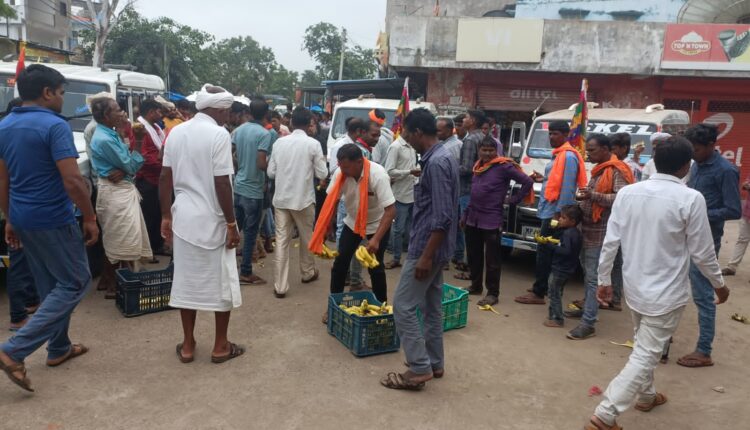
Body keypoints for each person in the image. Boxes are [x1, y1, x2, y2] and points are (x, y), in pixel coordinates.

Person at [583, 136, 729, 430]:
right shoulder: (691, 198)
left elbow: (611, 241)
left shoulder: (629, 193)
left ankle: (647, 396)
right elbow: (702, 252)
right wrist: (719, 284)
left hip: (635, 287)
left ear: (655, 160)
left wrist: (603, 278)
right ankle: (605, 415)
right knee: (646, 353)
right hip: (666, 294)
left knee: (644, 345)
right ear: (686, 166)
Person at [0, 64, 99, 392]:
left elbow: (3, 180)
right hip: (52, 218)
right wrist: (90, 217)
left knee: (50, 286)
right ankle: (13, 350)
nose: (61, 99)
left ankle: (58, 348)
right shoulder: (55, 126)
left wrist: (10, 218)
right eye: (60, 93)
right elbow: (72, 180)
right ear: (47, 93)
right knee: (75, 282)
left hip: (23, 217)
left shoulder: (5, 125)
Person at [159, 84, 244, 365]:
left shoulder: (176, 132)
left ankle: (187, 344)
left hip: (184, 220)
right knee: (222, 283)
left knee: (186, 282)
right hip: (213, 220)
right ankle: (220, 346)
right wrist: (231, 223)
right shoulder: (219, 134)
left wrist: (166, 215)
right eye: (227, 111)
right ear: (219, 110)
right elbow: (222, 183)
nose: (228, 116)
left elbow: (164, 177)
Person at [381, 108, 459, 391]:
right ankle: (435, 363)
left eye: (406, 134)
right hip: (435, 246)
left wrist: (426, 256)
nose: (405, 139)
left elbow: (442, 216)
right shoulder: (442, 157)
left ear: (417, 133)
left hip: (427, 248)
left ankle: (419, 368)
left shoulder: (436, 163)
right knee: (431, 308)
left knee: (403, 306)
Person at [677, 123, 741, 368]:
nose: (693, 154)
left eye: (697, 149)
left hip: (706, 240)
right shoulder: (695, 165)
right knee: (677, 288)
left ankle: (704, 350)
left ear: (712, 145)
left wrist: (700, 214)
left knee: (703, 295)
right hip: (684, 237)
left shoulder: (726, 171)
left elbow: (733, 210)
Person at [315, 143, 396, 322]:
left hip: (376, 224)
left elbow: (391, 211)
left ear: (359, 162)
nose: (343, 171)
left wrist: (376, 239)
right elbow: (332, 201)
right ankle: (334, 307)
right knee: (340, 264)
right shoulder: (341, 173)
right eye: (341, 167)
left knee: (376, 268)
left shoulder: (378, 175)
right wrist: (326, 226)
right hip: (352, 223)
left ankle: (381, 309)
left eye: (346, 167)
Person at [565, 134, 634, 340]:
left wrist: (592, 196)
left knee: (593, 278)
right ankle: (588, 310)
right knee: (589, 275)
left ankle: (589, 323)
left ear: (605, 149)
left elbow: (623, 198)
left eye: (592, 150)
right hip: (587, 230)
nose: (588, 154)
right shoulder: (599, 170)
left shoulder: (617, 170)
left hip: (602, 234)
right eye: (587, 150)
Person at [515, 121, 586, 305]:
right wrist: (543, 178)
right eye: (550, 133)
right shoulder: (558, 154)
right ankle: (543, 286)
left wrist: (559, 215)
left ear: (566, 135)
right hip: (549, 209)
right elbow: (556, 179)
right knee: (544, 249)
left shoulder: (568, 156)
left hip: (554, 213)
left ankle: (539, 292)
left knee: (544, 251)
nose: (551, 137)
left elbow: (568, 188)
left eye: (555, 134)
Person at [89, 97, 152, 299]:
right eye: (117, 110)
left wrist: (124, 170)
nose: (123, 113)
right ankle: (114, 286)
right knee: (121, 239)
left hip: (120, 189)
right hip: (115, 192)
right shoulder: (105, 138)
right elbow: (132, 165)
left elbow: (126, 165)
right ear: (106, 116)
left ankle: (109, 280)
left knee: (119, 237)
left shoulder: (111, 133)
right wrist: (139, 141)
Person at [462, 135, 534, 306]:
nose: (487, 153)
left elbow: (527, 181)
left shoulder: (504, 166)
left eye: (491, 150)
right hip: (473, 217)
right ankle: (475, 285)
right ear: (479, 150)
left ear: (496, 151)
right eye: (484, 150)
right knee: (473, 255)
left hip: (492, 218)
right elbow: (474, 193)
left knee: (492, 259)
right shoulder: (478, 166)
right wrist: (464, 216)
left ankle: (493, 293)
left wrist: (513, 200)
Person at [267, 107, 328, 298]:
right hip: (304, 199)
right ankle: (307, 272)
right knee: (307, 238)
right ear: (309, 124)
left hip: (282, 199)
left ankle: (280, 286)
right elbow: (323, 173)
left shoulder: (279, 143)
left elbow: (271, 172)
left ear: (291, 123)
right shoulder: (313, 144)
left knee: (282, 241)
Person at [1, 98, 40, 333]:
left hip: (15, 209)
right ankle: (17, 315)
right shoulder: (10, 135)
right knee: (18, 261)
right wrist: (10, 218)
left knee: (27, 259)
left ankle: (31, 300)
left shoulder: (8, 133)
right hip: (16, 209)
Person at [232, 98, 272, 285]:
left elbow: (230, 154)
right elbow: (261, 163)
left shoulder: (238, 130)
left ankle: (226, 266)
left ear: (249, 112)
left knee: (235, 229)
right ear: (266, 114)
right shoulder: (264, 134)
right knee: (250, 233)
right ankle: (246, 272)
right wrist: (273, 170)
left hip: (238, 186)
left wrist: (240, 167)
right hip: (254, 189)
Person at [454, 110, 486, 275]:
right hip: (480, 189)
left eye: (466, 117)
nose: (463, 119)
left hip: (467, 189)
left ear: (472, 121)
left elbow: (466, 168)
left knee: (467, 229)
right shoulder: (484, 137)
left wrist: (451, 168)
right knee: (474, 230)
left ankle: (469, 266)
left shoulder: (470, 140)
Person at [542, 205, 583, 328]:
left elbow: (566, 251)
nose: (559, 219)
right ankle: (552, 315)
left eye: (563, 218)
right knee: (557, 292)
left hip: (560, 269)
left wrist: (549, 245)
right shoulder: (575, 233)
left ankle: (557, 319)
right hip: (568, 269)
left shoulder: (568, 234)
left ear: (572, 221)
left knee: (553, 293)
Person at [383, 132, 420, 270]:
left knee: (411, 228)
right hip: (400, 195)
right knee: (398, 229)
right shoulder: (395, 147)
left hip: (412, 193)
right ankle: (396, 258)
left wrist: (415, 173)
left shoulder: (412, 146)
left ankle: (410, 258)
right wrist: (409, 172)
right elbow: (389, 171)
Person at [135, 99, 166, 259]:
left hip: (158, 177)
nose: (161, 115)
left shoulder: (155, 128)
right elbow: (144, 156)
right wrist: (164, 164)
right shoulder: (140, 129)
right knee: (149, 215)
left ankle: (157, 244)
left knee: (157, 213)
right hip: (147, 178)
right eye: (159, 111)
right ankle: (148, 250)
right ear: (151, 112)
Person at [723, 176, 750, 276]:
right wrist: (746, 185)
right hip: (747, 213)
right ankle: (731, 267)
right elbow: (745, 183)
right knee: (742, 239)